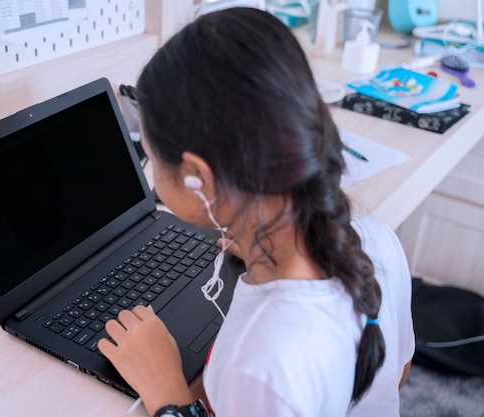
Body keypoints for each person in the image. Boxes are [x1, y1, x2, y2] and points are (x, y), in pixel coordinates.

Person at [98, 7, 415, 417]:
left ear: (199, 178)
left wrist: (169, 391)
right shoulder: (377, 241)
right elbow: (397, 374)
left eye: (153, 157)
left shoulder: (259, 366)